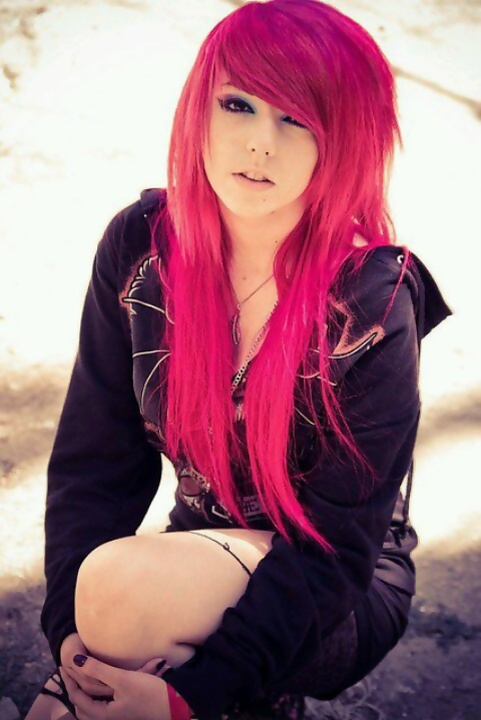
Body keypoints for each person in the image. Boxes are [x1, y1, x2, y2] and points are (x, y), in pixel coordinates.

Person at [25, 1, 452, 719]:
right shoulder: (142, 249)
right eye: (237, 104)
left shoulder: (372, 301)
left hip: (337, 586)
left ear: (345, 137)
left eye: (297, 119)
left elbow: (337, 549)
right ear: (200, 109)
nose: (260, 144)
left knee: (120, 598)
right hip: (201, 546)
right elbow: (95, 463)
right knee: (92, 634)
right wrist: (68, 633)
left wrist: (189, 698)